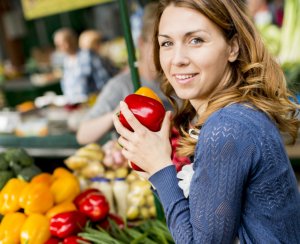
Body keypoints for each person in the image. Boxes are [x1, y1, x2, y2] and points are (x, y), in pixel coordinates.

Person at [113, 0, 300, 243]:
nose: (177, 59)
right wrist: (152, 165)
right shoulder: (235, 112)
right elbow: (205, 217)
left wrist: (160, 170)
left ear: (233, 47)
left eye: (196, 40)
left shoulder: (226, 127)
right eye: (167, 43)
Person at [76, 2, 172, 145]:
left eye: (169, 44)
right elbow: (83, 134)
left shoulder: (177, 80)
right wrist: (119, 113)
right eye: (159, 44)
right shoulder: (121, 85)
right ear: (141, 43)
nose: (164, 53)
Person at [53, 28, 110, 104]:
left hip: (92, 103)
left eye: (66, 41)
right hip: (73, 106)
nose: (64, 46)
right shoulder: (64, 60)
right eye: (59, 45)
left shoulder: (88, 55)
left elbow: (104, 80)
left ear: (74, 39)